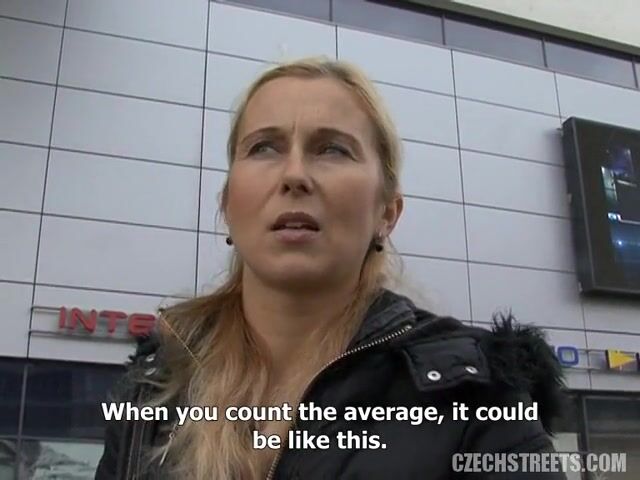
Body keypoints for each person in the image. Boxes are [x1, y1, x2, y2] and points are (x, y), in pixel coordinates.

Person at [95, 57, 568, 480]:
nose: (294, 175)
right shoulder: (154, 387)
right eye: (264, 148)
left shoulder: (476, 396)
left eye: (333, 149)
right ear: (227, 206)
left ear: (387, 213)